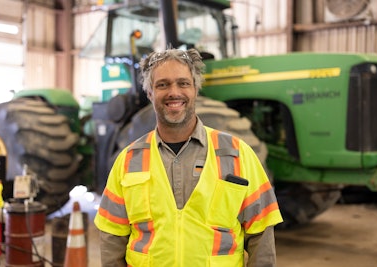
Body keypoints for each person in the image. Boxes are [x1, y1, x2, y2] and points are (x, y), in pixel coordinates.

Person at [94, 48, 283, 267]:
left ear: (195, 89)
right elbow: (112, 237)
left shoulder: (239, 154)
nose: (174, 92)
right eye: (162, 84)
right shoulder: (128, 161)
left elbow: (261, 236)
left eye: (183, 83)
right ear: (150, 93)